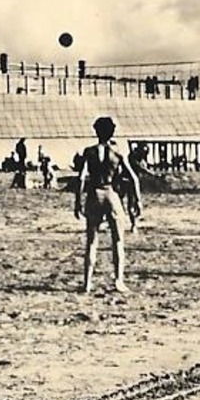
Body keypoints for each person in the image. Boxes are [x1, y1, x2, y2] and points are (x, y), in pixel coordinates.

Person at [74, 116, 140, 293]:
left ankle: (87, 283)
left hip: (94, 193)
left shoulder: (89, 151)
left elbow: (81, 178)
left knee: (91, 241)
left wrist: (77, 201)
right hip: (110, 193)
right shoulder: (117, 151)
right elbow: (133, 178)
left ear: (96, 131)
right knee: (118, 240)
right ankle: (119, 281)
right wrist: (138, 200)